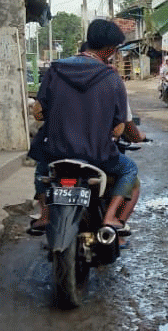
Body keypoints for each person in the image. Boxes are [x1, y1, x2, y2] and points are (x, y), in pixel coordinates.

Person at [27, 19, 137, 237]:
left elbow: (39, 110)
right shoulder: (111, 77)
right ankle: (111, 217)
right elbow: (120, 125)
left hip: (57, 151)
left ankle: (45, 215)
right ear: (109, 50)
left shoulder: (56, 69)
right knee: (129, 170)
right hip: (98, 155)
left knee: (42, 169)